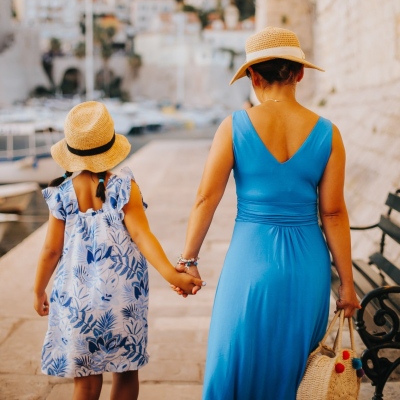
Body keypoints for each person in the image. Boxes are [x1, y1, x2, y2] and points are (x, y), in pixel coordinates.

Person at [172, 27, 361, 400]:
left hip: (250, 261)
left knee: (235, 360)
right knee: (294, 371)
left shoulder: (234, 127)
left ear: (254, 77)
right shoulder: (328, 133)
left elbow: (205, 198)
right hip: (308, 267)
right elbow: (334, 213)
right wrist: (348, 284)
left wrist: (188, 260)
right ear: (300, 73)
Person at [33, 101, 203, 400]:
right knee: (125, 373)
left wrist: (38, 290)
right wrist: (172, 276)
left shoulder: (61, 194)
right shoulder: (124, 186)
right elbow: (142, 235)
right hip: (123, 301)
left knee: (85, 382)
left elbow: (50, 250)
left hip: (77, 301)